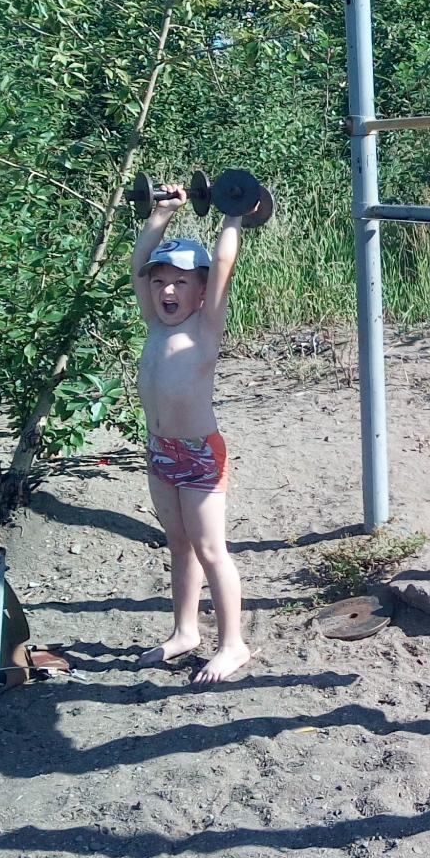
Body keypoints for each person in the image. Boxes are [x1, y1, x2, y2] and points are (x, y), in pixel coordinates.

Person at [132, 186, 253, 681]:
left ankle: (233, 644)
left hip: (201, 454)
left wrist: (233, 216)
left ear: (200, 291)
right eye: (161, 281)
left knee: (210, 550)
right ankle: (185, 631)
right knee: (178, 546)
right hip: (160, 451)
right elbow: (137, 263)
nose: (167, 290)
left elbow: (222, 264)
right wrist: (162, 213)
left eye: (180, 282)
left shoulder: (205, 327)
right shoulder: (155, 324)